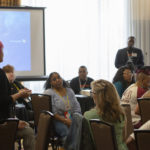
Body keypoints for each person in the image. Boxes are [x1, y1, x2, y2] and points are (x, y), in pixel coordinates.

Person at [0, 41, 35, 150]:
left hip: (5, 120)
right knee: (29, 131)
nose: (3, 54)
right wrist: (19, 94)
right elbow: (4, 101)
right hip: (3, 125)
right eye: (2, 50)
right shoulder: (0, 74)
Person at [84, 79, 128, 150]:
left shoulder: (88, 116)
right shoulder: (121, 114)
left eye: (92, 92)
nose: (91, 96)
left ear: (98, 96)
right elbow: (124, 138)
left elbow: (86, 142)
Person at [43, 72, 81, 146]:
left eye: (59, 77)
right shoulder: (49, 93)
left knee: (79, 130)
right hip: (57, 119)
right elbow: (53, 113)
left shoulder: (69, 91)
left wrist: (76, 118)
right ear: (50, 83)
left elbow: (77, 106)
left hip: (71, 116)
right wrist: (65, 121)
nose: (58, 80)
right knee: (66, 132)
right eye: (54, 79)